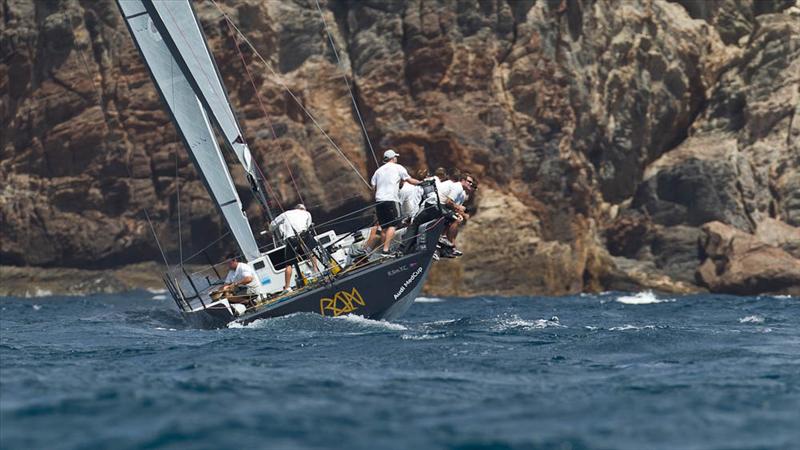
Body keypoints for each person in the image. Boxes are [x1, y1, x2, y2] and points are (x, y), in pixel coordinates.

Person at [366, 149, 421, 256]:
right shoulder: (398, 167)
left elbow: (373, 187)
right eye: (395, 157)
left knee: (384, 227)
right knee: (393, 225)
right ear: (393, 158)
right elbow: (409, 180)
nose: (396, 158)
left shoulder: (378, 171)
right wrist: (421, 183)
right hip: (391, 200)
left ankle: (384, 251)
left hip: (379, 201)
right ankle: (386, 250)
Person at [269, 204, 319, 292]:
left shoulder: (286, 214)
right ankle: (316, 271)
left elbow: (272, 225)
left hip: (292, 239)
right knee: (311, 252)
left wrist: (271, 229)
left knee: (289, 264)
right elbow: (308, 226)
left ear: (295, 209)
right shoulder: (307, 213)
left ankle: (287, 287)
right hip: (304, 235)